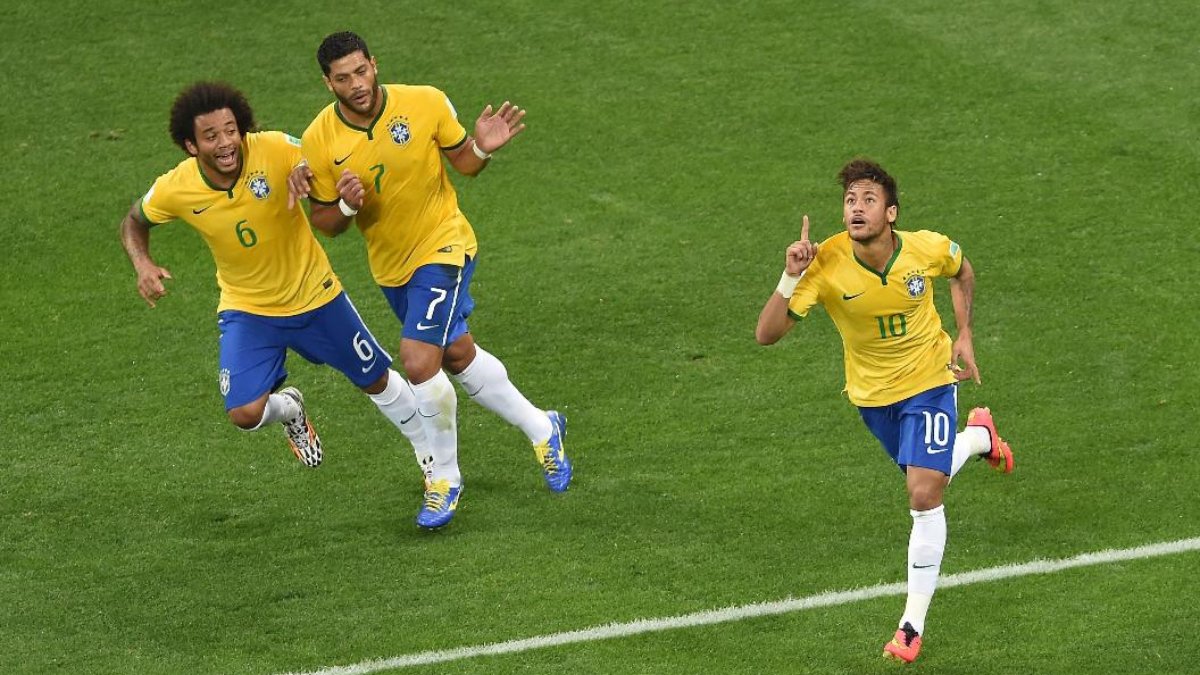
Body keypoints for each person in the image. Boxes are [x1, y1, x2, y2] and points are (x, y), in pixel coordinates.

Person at [288, 31, 571, 530]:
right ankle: (542, 427)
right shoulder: (320, 139)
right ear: (328, 83)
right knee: (457, 354)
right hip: (391, 268)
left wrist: (482, 149)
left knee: (419, 361)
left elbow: (464, 162)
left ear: (375, 63)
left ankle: (444, 478)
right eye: (343, 78)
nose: (357, 84)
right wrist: (348, 206)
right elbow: (326, 223)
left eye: (361, 71)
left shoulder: (424, 102)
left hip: (444, 247)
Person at [755, 159, 1014, 663]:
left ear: (890, 213)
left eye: (869, 200)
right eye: (850, 200)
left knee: (924, 494)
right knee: (929, 473)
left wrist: (964, 333)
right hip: (873, 399)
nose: (857, 208)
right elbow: (767, 334)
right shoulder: (825, 264)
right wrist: (789, 276)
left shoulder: (925, 248)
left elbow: (961, 269)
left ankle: (910, 627)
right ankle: (980, 437)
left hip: (931, 381)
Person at [119, 81, 427, 469]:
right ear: (191, 145)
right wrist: (143, 264)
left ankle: (430, 454)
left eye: (231, 130)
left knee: (376, 380)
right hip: (249, 310)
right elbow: (134, 221)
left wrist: (303, 169)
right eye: (211, 136)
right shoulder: (176, 187)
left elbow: (318, 158)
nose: (226, 143)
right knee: (245, 413)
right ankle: (290, 409)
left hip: (316, 297)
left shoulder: (274, 147)